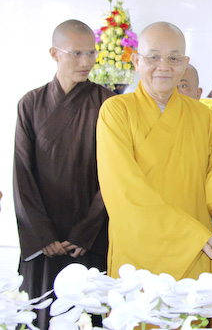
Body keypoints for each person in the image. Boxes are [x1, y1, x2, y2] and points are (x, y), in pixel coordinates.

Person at [96, 22, 212, 286]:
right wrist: (190, 235)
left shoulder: (202, 115)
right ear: (136, 61)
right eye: (153, 57)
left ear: (185, 63)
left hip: (197, 251)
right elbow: (124, 191)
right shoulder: (116, 111)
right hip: (141, 253)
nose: (164, 66)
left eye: (173, 58)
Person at [13, 19, 114, 330]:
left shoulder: (109, 104)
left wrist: (87, 232)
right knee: (41, 314)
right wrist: (42, 235)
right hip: (45, 237)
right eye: (76, 53)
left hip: (87, 236)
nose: (86, 62)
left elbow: (114, 174)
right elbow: (22, 174)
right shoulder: (30, 104)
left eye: (91, 53)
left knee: (88, 314)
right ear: (54, 53)